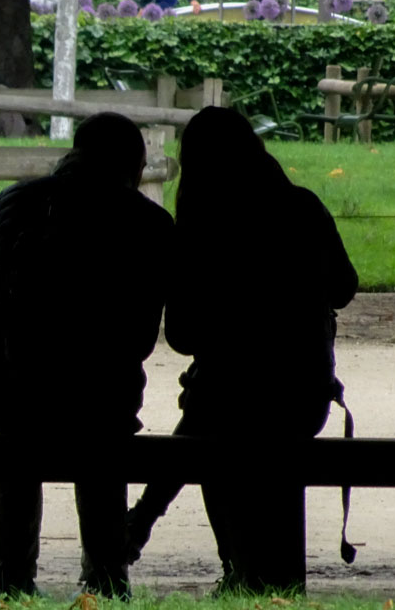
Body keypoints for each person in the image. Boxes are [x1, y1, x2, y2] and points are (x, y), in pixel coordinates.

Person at [126, 106, 358, 594]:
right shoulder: (302, 207)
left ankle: (223, 558)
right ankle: (237, 565)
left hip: (228, 402)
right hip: (302, 396)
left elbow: (182, 336)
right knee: (214, 405)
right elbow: (343, 288)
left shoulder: (200, 228)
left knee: (209, 409)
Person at [0, 112, 174, 598]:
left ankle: (10, 577)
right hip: (100, 397)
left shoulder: (14, 201)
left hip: (8, 386)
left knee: (15, 437)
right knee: (104, 430)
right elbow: (142, 337)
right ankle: (106, 575)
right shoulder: (148, 223)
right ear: (134, 165)